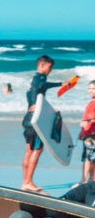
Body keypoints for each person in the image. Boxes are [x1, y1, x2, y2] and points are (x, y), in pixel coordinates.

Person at [20, 55, 71, 192]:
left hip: (28, 117)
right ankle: (28, 182)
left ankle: (25, 182)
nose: (50, 70)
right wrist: (61, 84)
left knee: (29, 151)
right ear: (42, 65)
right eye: (49, 67)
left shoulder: (32, 83)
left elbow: (36, 98)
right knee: (37, 150)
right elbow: (42, 85)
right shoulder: (40, 78)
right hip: (35, 119)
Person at [79, 80, 95, 184]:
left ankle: (84, 181)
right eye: (89, 88)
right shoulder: (91, 102)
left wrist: (88, 121)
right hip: (88, 134)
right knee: (91, 159)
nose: (90, 91)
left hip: (92, 134)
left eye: (93, 89)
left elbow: (90, 119)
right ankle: (91, 180)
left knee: (88, 159)